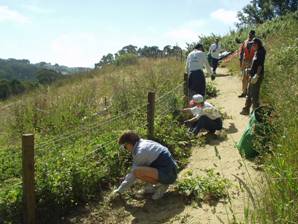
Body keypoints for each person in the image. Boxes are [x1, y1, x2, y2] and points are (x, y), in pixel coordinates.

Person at [112, 131, 178, 200]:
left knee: (136, 172)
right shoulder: (144, 143)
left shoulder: (140, 152)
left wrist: (119, 190)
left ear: (129, 144)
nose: (125, 150)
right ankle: (152, 187)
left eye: (124, 147)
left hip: (169, 175)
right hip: (171, 170)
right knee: (141, 168)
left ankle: (161, 185)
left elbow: (133, 173)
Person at [240, 38, 266, 115]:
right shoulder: (256, 51)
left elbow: (260, 65)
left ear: (258, 44)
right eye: (252, 44)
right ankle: (246, 110)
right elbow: (255, 64)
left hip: (256, 76)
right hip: (252, 75)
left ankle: (256, 114)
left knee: (254, 95)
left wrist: (257, 75)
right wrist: (249, 70)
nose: (252, 46)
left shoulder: (261, 52)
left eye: (254, 44)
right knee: (249, 93)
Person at [238, 30, 256, 98]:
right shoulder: (245, 42)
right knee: (243, 78)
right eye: (249, 34)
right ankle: (244, 92)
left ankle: (249, 93)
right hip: (245, 61)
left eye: (252, 34)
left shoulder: (256, 42)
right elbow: (241, 52)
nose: (250, 35)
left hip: (252, 62)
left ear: (254, 35)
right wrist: (240, 60)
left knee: (249, 78)